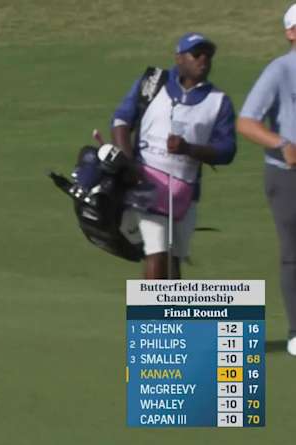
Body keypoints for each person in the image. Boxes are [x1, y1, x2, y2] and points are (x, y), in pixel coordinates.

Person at [111, 32, 237, 279]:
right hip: (145, 183)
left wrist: (188, 149)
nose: (204, 60)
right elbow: (121, 121)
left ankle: (173, 316)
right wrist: (128, 164)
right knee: (156, 251)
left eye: (208, 55)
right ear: (179, 58)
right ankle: (152, 316)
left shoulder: (218, 101)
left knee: (174, 258)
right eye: (196, 54)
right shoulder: (153, 83)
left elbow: (227, 150)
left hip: (185, 191)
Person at [237, 4, 296, 356]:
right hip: (287, 176)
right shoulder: (280, 70)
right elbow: (247, 122)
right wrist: (282, 144)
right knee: (294, 254)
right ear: (291, 32)